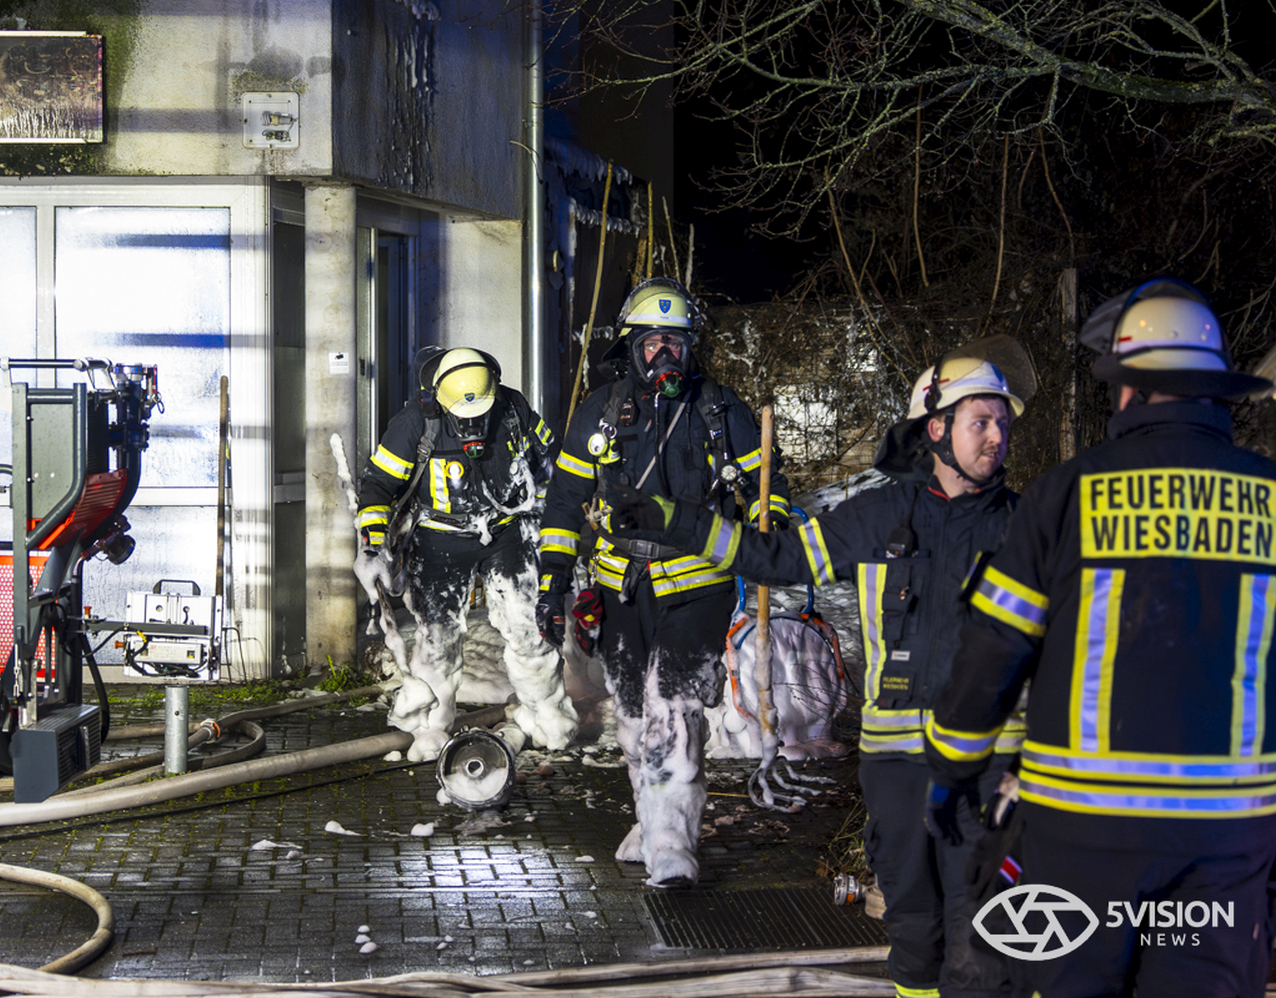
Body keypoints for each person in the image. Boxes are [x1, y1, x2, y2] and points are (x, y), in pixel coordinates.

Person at [606, 336, 1033, 996]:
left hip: (992, 768)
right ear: (938, 429)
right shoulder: (880, 516)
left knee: (987, 931)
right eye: (983, 421)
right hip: (899, 766)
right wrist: (677, 521)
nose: (998, 435)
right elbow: (773, 557)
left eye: (1003, 422)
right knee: (914, 930)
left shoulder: (1030, 528)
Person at [924, 279, 1276, 998]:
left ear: (1127, 391)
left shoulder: (1064, 495)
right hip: (1226, 842)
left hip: (1082, 838)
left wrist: (952, 767)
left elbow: (996, 648)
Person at [535, 277, 792, 888]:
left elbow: (766, 484)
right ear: (631, 347)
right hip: (623, 587)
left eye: (677, 343)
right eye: (654, 343)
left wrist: (770, 517)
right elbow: (567, 502)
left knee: (671, 708)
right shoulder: (599, 412)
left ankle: (673, 845)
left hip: (698, 586)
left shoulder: (720, 409)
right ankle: (652, 819)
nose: (666, 356)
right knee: (630, 713)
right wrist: (553, 582)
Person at [357, 347, 578, 763]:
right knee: (437, 638)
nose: (473, 422)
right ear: (440, 401)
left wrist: (559, 519)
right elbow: (377, 485)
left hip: (505, 531)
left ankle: (548, 719)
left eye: (480, 413)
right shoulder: (414, 425)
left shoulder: (513, 410)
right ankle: (428, 727)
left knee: (528, 627)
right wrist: (374, 538)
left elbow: (554, 464)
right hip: (439, 539)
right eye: (463, 414)